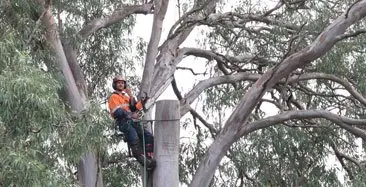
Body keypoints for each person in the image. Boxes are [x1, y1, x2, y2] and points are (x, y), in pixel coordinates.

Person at [108, 75, 156, 170]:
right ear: (115, 84)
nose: (121, 84)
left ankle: (150, 155)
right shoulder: (113, 97)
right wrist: (130, 115)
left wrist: (140, 101)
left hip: (133, 122)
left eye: (122, 83)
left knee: (148, 137)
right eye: (119, 83)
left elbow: (134, 108)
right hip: (124, 123)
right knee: (135, 140)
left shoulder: (126, 97)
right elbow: (116, 112)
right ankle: (145, 162)